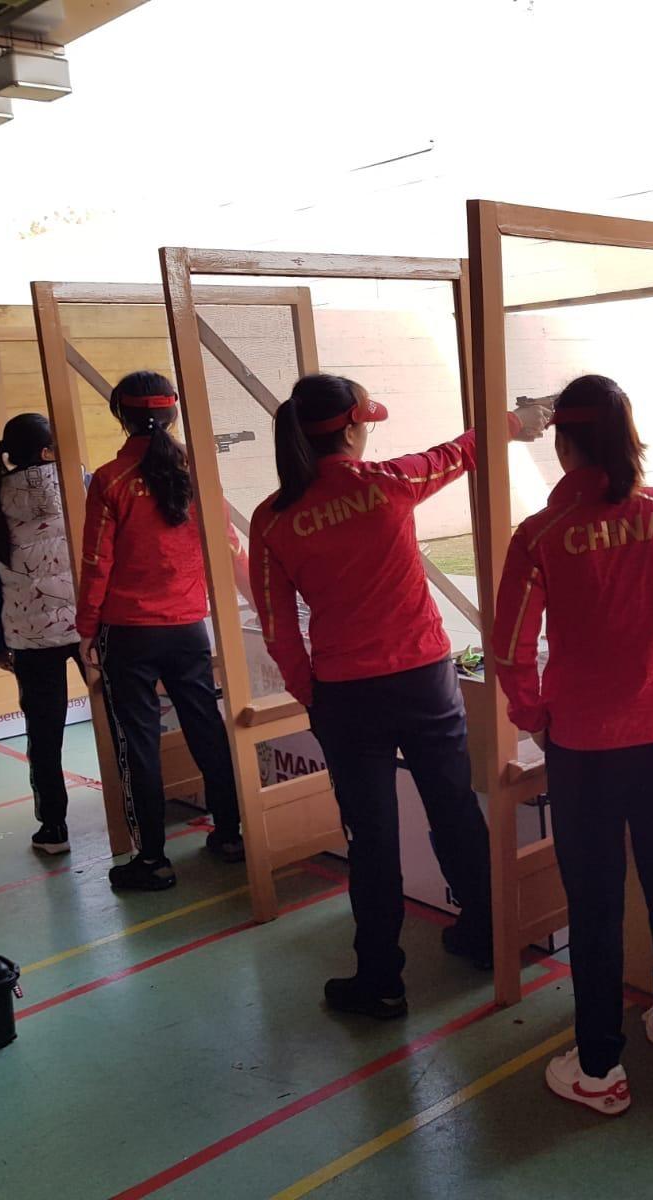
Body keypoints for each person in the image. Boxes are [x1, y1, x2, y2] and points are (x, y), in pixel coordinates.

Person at [490, 374, 653, 1116]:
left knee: (596, 905)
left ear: (565, 445)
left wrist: (533, 712)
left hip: (584, 750)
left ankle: (600, 1066)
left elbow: (511, 649)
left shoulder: (539, 534)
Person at [249, 373, 549, 1018]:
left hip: (344, 695)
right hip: (422, 677)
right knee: (454, 810)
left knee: (372, 839)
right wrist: (521, 420)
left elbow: (277, 627)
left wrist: (315, 698)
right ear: (352, 429)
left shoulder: (274, 519)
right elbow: (465, 448)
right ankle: (487, 937)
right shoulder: (387, 483)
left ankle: (381, 980)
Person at [77, 370, 245, 892]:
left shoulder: (109, 480)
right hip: (190, 628)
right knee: (207, 730)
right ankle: (232, 834)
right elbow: (227, 546)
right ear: (173, 413)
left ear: (121, 415)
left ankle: (151, 860)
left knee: (138, 743)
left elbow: (96, 563)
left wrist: (86, 630)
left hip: (128, 633)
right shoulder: (198, 474)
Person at [0, 413, 82, 854]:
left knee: (44, 732)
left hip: (27, 635)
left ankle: (53, 828)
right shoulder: (79, 482)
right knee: (118, 720)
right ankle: (131, 816)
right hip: (87, 626)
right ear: (46, 450)